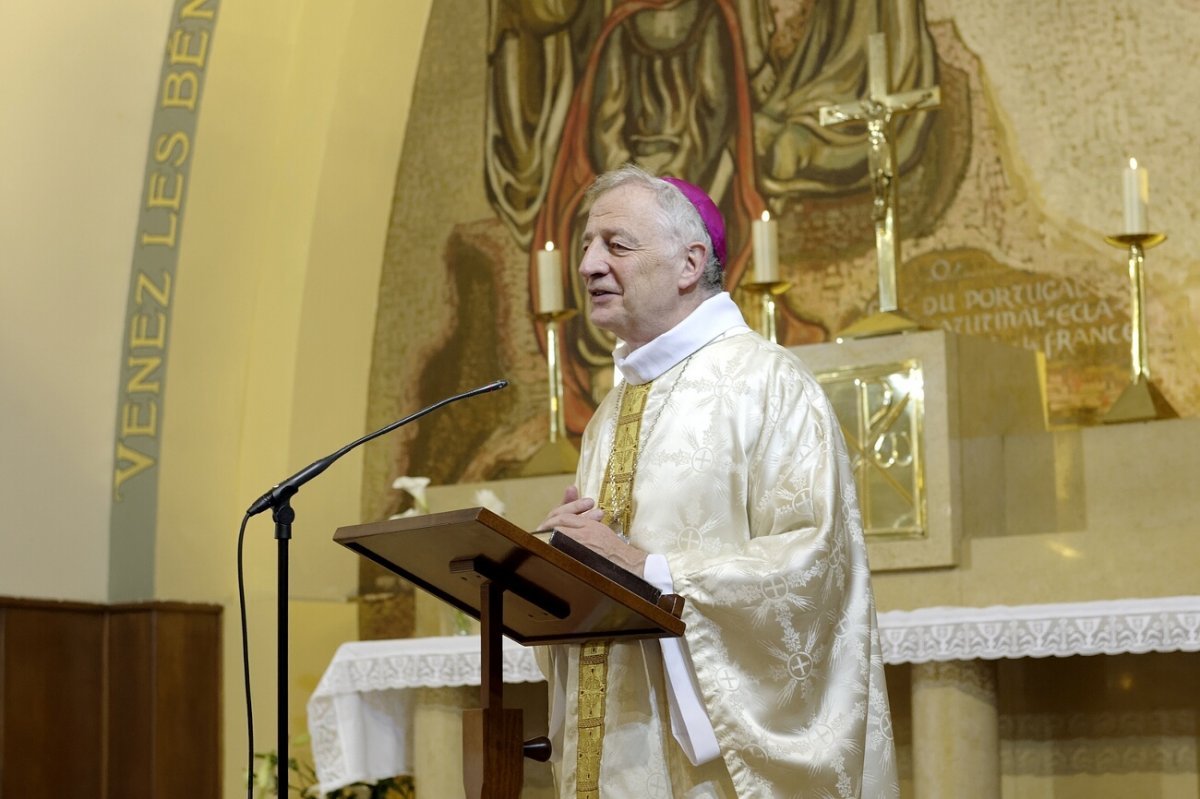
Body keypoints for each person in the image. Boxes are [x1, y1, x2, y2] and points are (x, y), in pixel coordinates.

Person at [536, 164, 898, 798]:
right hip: (616, 753)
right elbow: (606, 574)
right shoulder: (608, 415)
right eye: (587, 246)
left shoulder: (768, 385)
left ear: (688, 263)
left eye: (616, 245)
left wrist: (648, 570)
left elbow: (812, 569)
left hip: (705, 773)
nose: (589, 265)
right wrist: (560, 562)